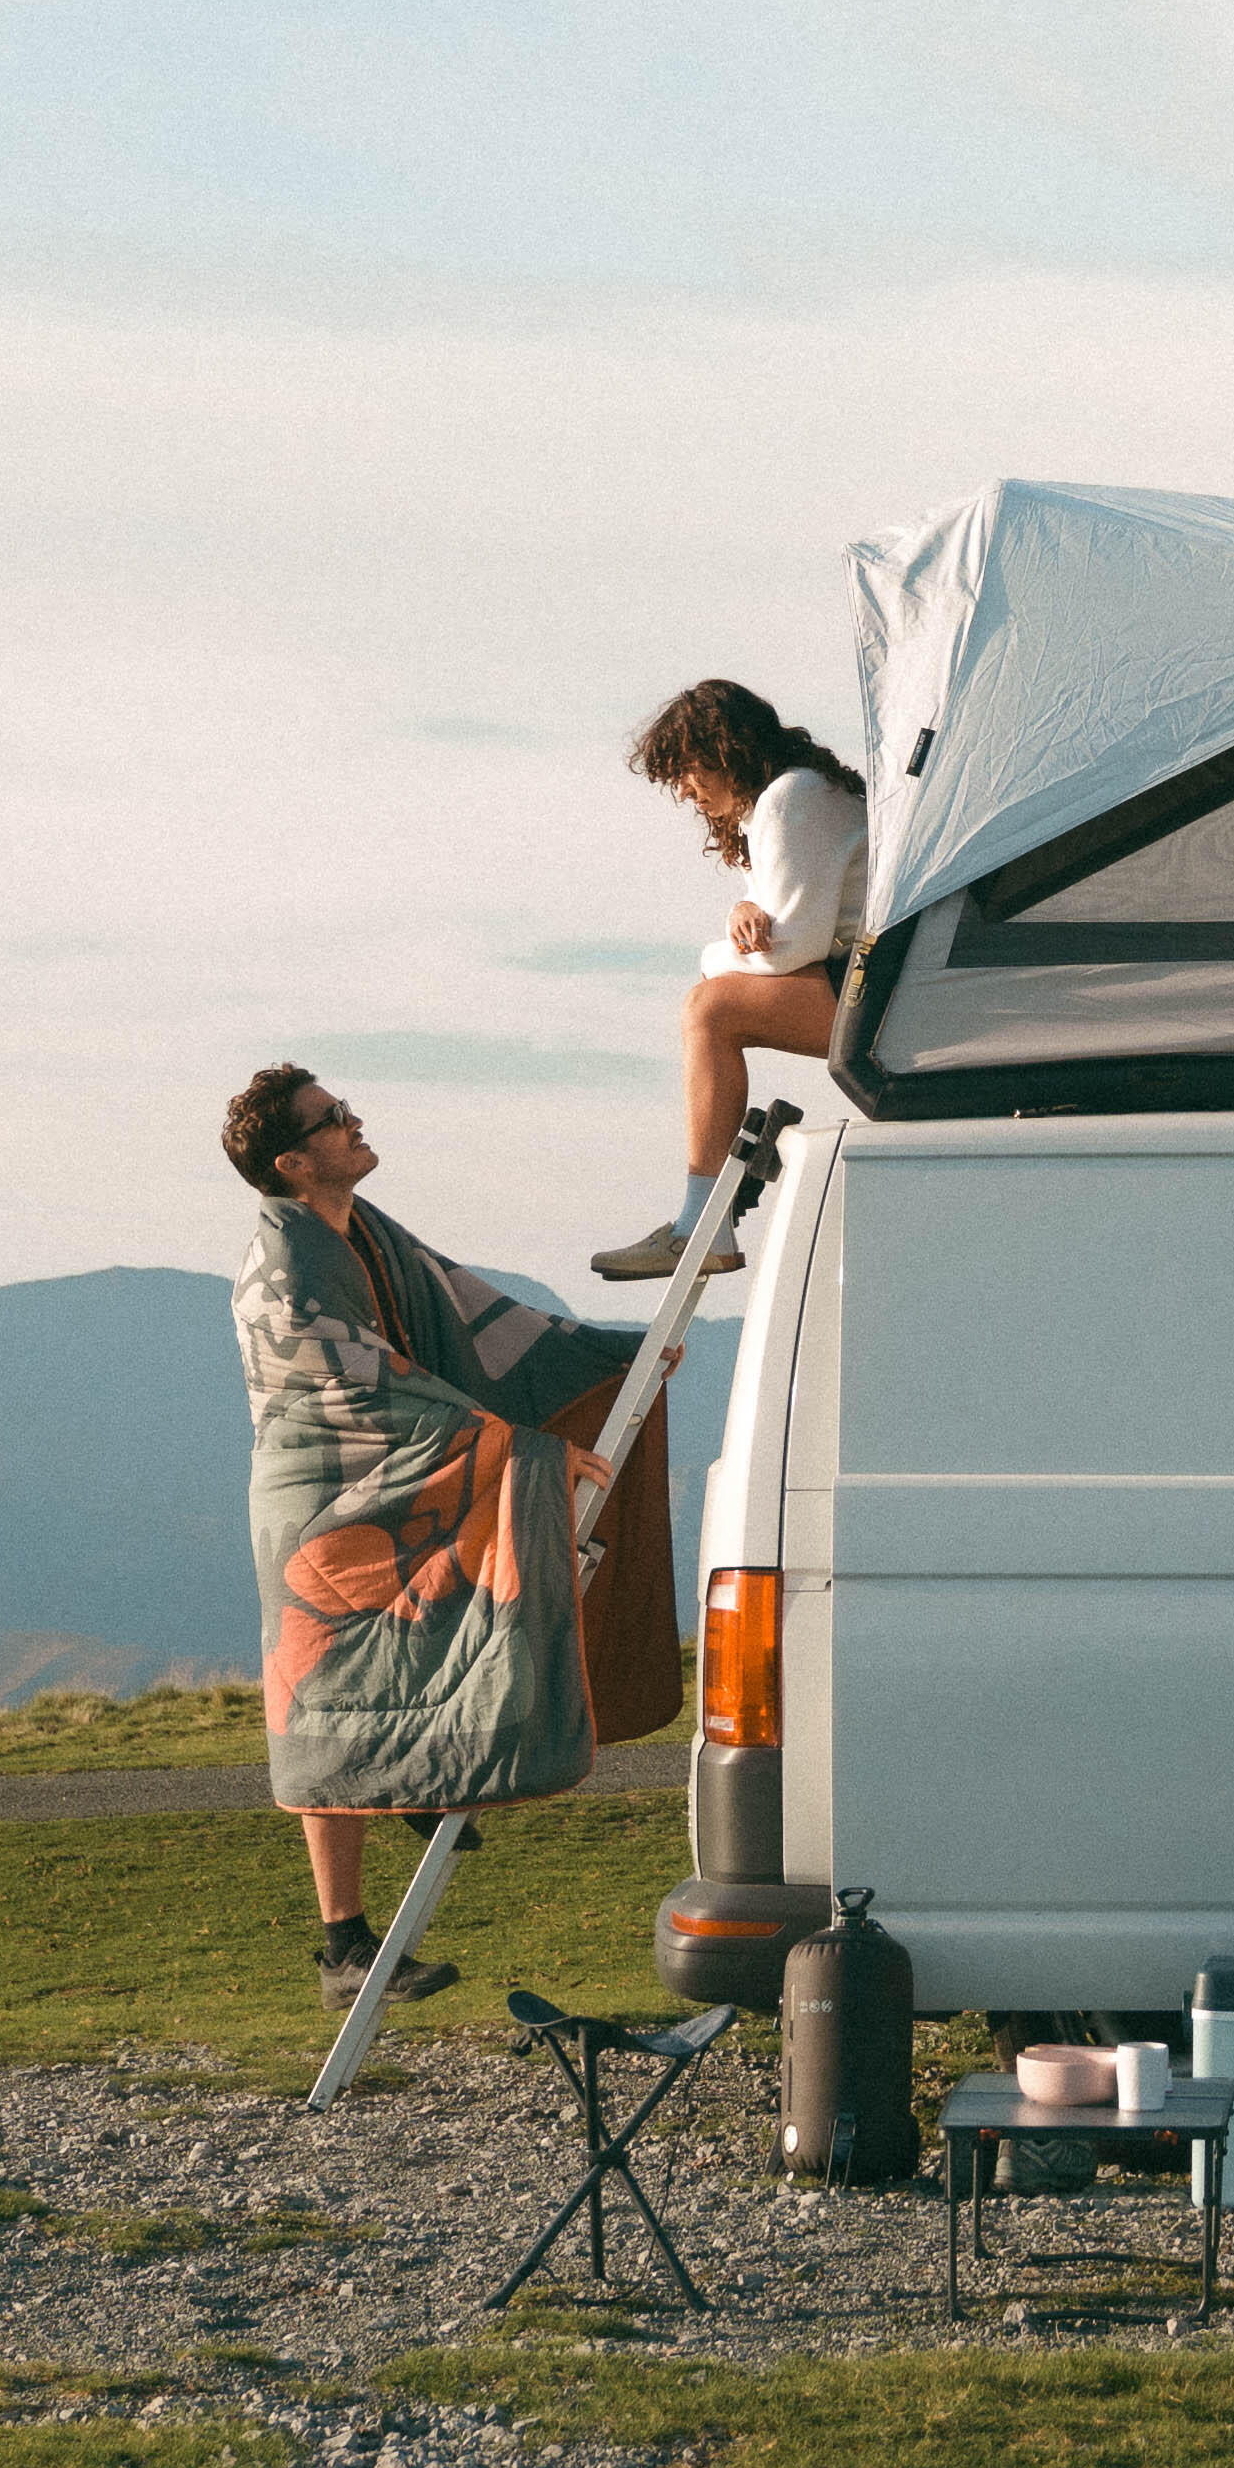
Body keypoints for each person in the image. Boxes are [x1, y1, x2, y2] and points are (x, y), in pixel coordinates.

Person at [226, 1064, 674, 2008]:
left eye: (345, 1109)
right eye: (332, 1119)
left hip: (397, 1479)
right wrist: (520, 1448)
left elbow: (470, 1317)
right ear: (294, 1162)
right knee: (321, 1703)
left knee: (409, 1654)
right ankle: (342, 1949)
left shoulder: (366, 1236)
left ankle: (422, 1789)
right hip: (318, 1505)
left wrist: (603, 1355)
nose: (355, 1122)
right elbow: (355, 1389)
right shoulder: (287, 1259)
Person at [583, 676, 869, 1280]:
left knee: (711, 1008)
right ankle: (699, 1224)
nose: (685, 791)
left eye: (688, 771)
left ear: (726, 751)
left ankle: (700, 1227)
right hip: (867, 980)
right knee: (710, 1004)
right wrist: (745, 909)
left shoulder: (791, 797)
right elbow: (782, 919)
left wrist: (714, 955)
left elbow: (788, 953)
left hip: (876, 992)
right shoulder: (794, 795)